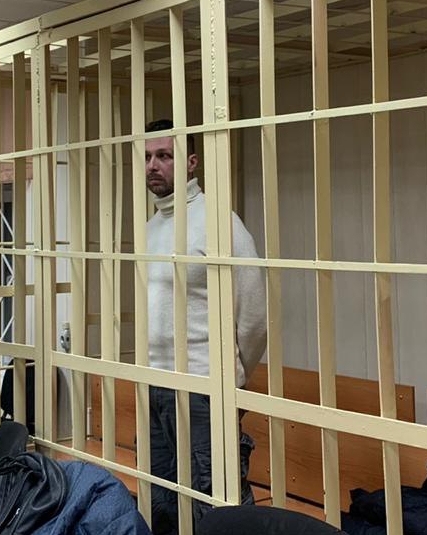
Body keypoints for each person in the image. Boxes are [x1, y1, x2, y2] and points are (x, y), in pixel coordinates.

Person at [144, 119, 267, 534]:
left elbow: (254, 317)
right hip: (156, 383)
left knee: (217, 501)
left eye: (164, 155)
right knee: (163, 501)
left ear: (191, 163)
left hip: (203, 386)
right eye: (147, 156)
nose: (153, 165)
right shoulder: (151, 228)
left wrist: (231, 377)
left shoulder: (218, 221)